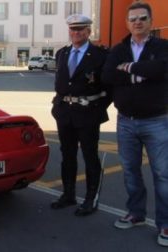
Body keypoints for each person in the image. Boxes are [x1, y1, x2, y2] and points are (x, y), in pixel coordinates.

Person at [101, 2, 168, 247]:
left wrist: (129, 69)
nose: (137, 22)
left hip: (156, 121)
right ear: (127, 23)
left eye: (142, 18)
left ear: (150, 21)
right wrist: (143, 73)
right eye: (133, 19)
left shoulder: (162, 47)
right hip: (126, 121)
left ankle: (166, 224)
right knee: (130, 170)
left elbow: (162, 68)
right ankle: (136, 213)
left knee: (163, 174)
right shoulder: (119, 49)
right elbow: (108, 75)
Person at [50, 14, 110, 216]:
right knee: (67, 156)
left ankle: (90, 199)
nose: (76, 32)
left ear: (88, 31)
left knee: (90, 156)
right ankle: (68, 195)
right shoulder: (62, 53)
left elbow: (109, 88)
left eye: (80, 29)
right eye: (73, 29)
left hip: (88, 114)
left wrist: (97, 108)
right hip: (65, 113)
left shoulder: (100, 56)